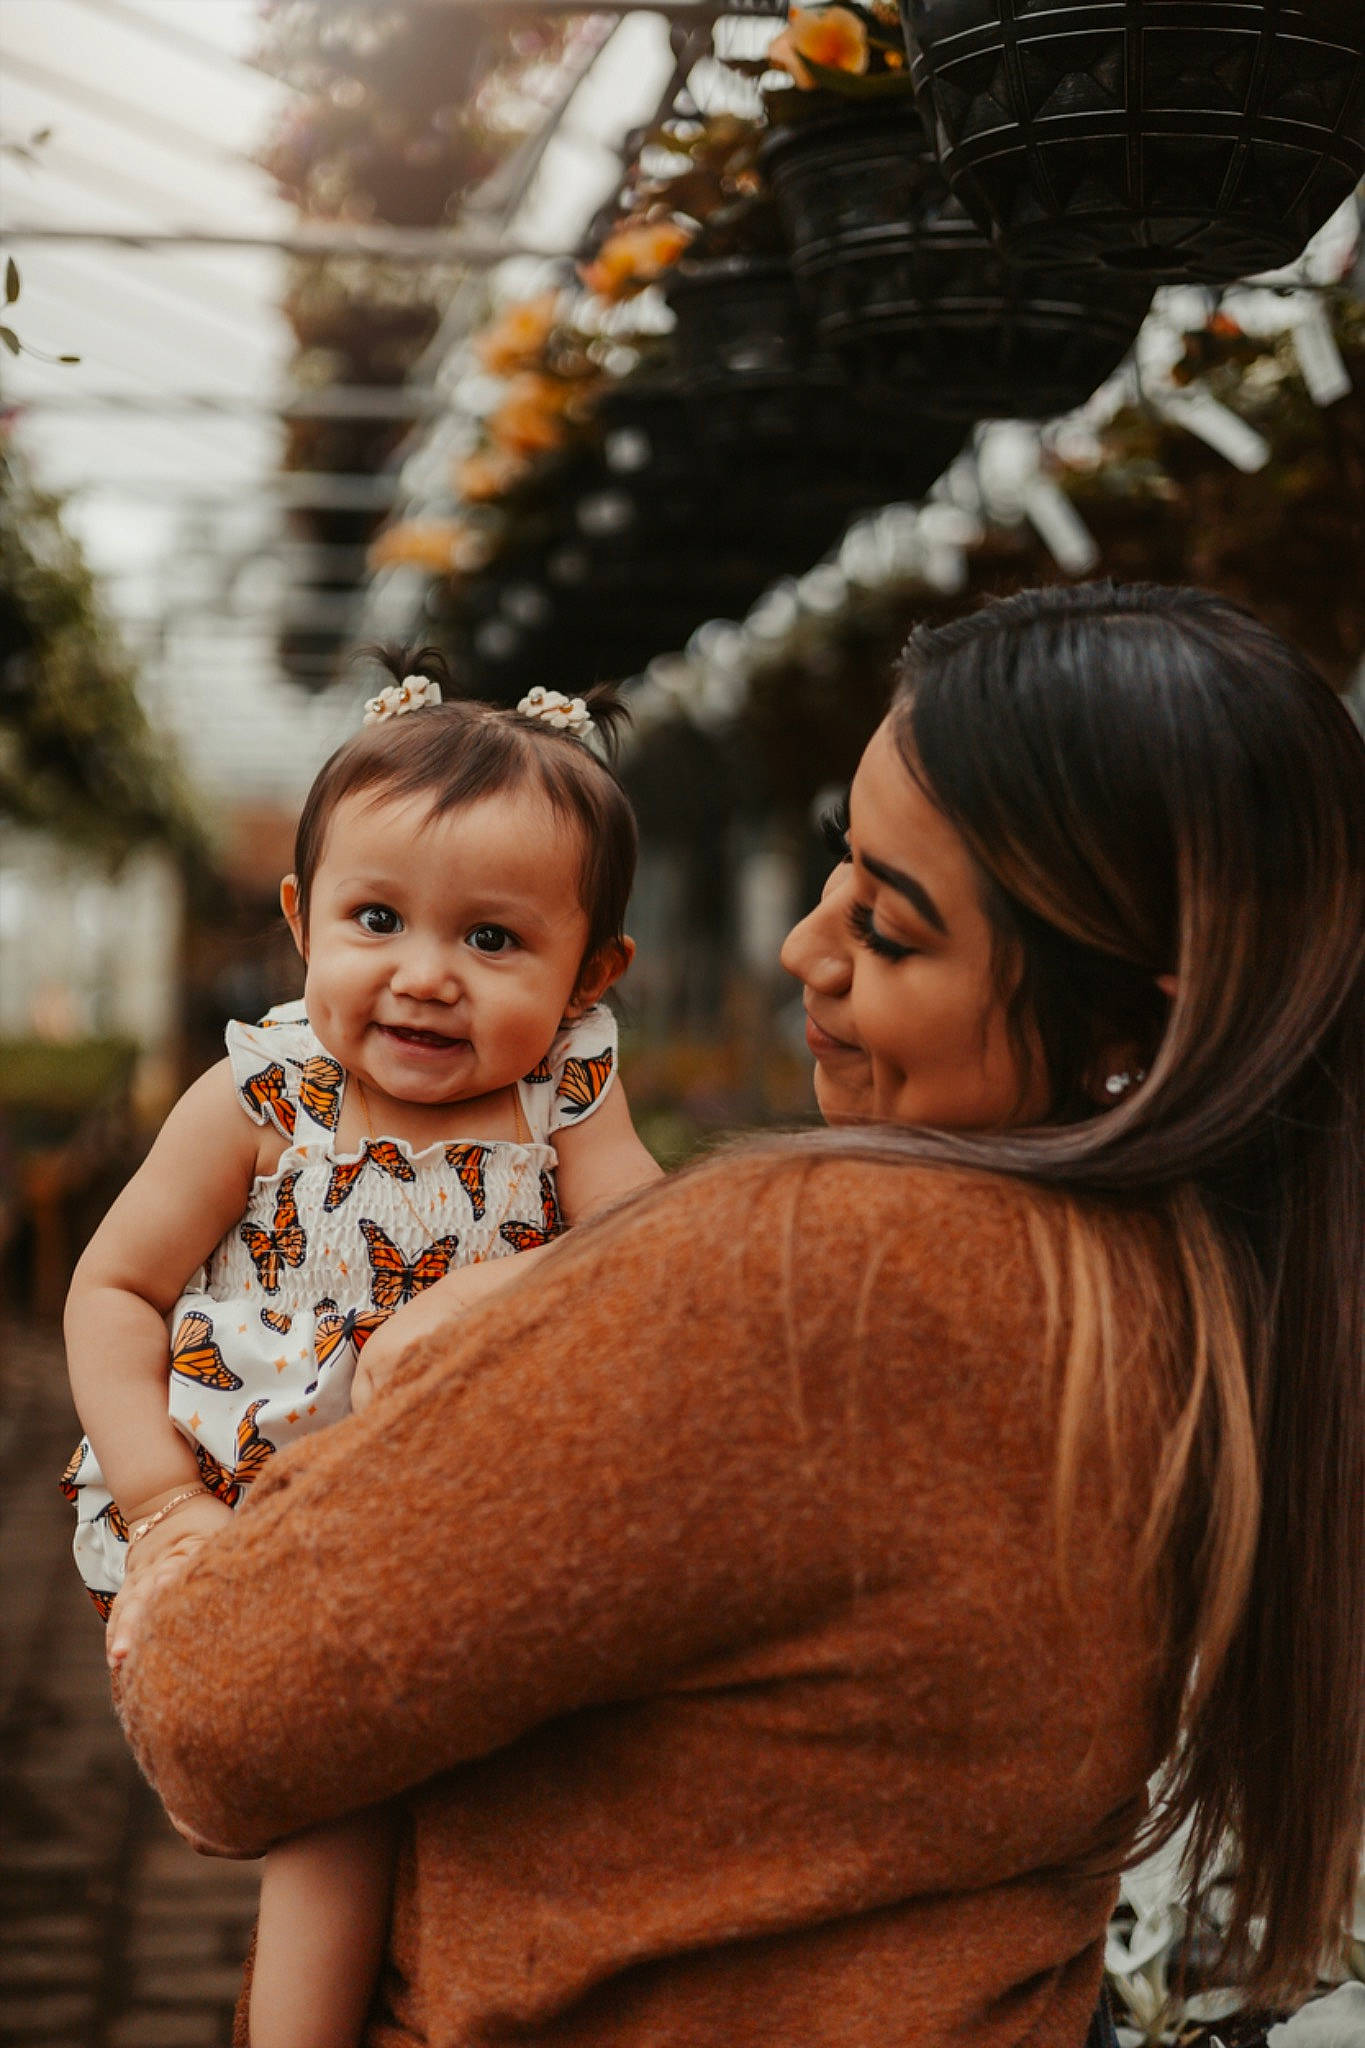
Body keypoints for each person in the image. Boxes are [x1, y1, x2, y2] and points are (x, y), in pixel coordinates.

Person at [111, 585, 1364, 2047]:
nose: (803, 951)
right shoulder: (1201, 1295)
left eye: (890, 933)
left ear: (1121, 1032)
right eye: (842, 865)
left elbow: (223, 1712)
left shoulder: (812, 1289)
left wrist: (337, 1419)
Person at [63, 654, 662, 2048]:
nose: (425, 978)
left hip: (476, 1514)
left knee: (510, 1794)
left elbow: (648, 1262)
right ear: (301, 920)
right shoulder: (262, 1095)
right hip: (251, 1519)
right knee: (340, 1816)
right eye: (377, 919)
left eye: (493, 942)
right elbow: (113, 1290)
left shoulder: (565, 1100)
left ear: (592, 975)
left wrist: (532, 1275)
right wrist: (161, 1504)